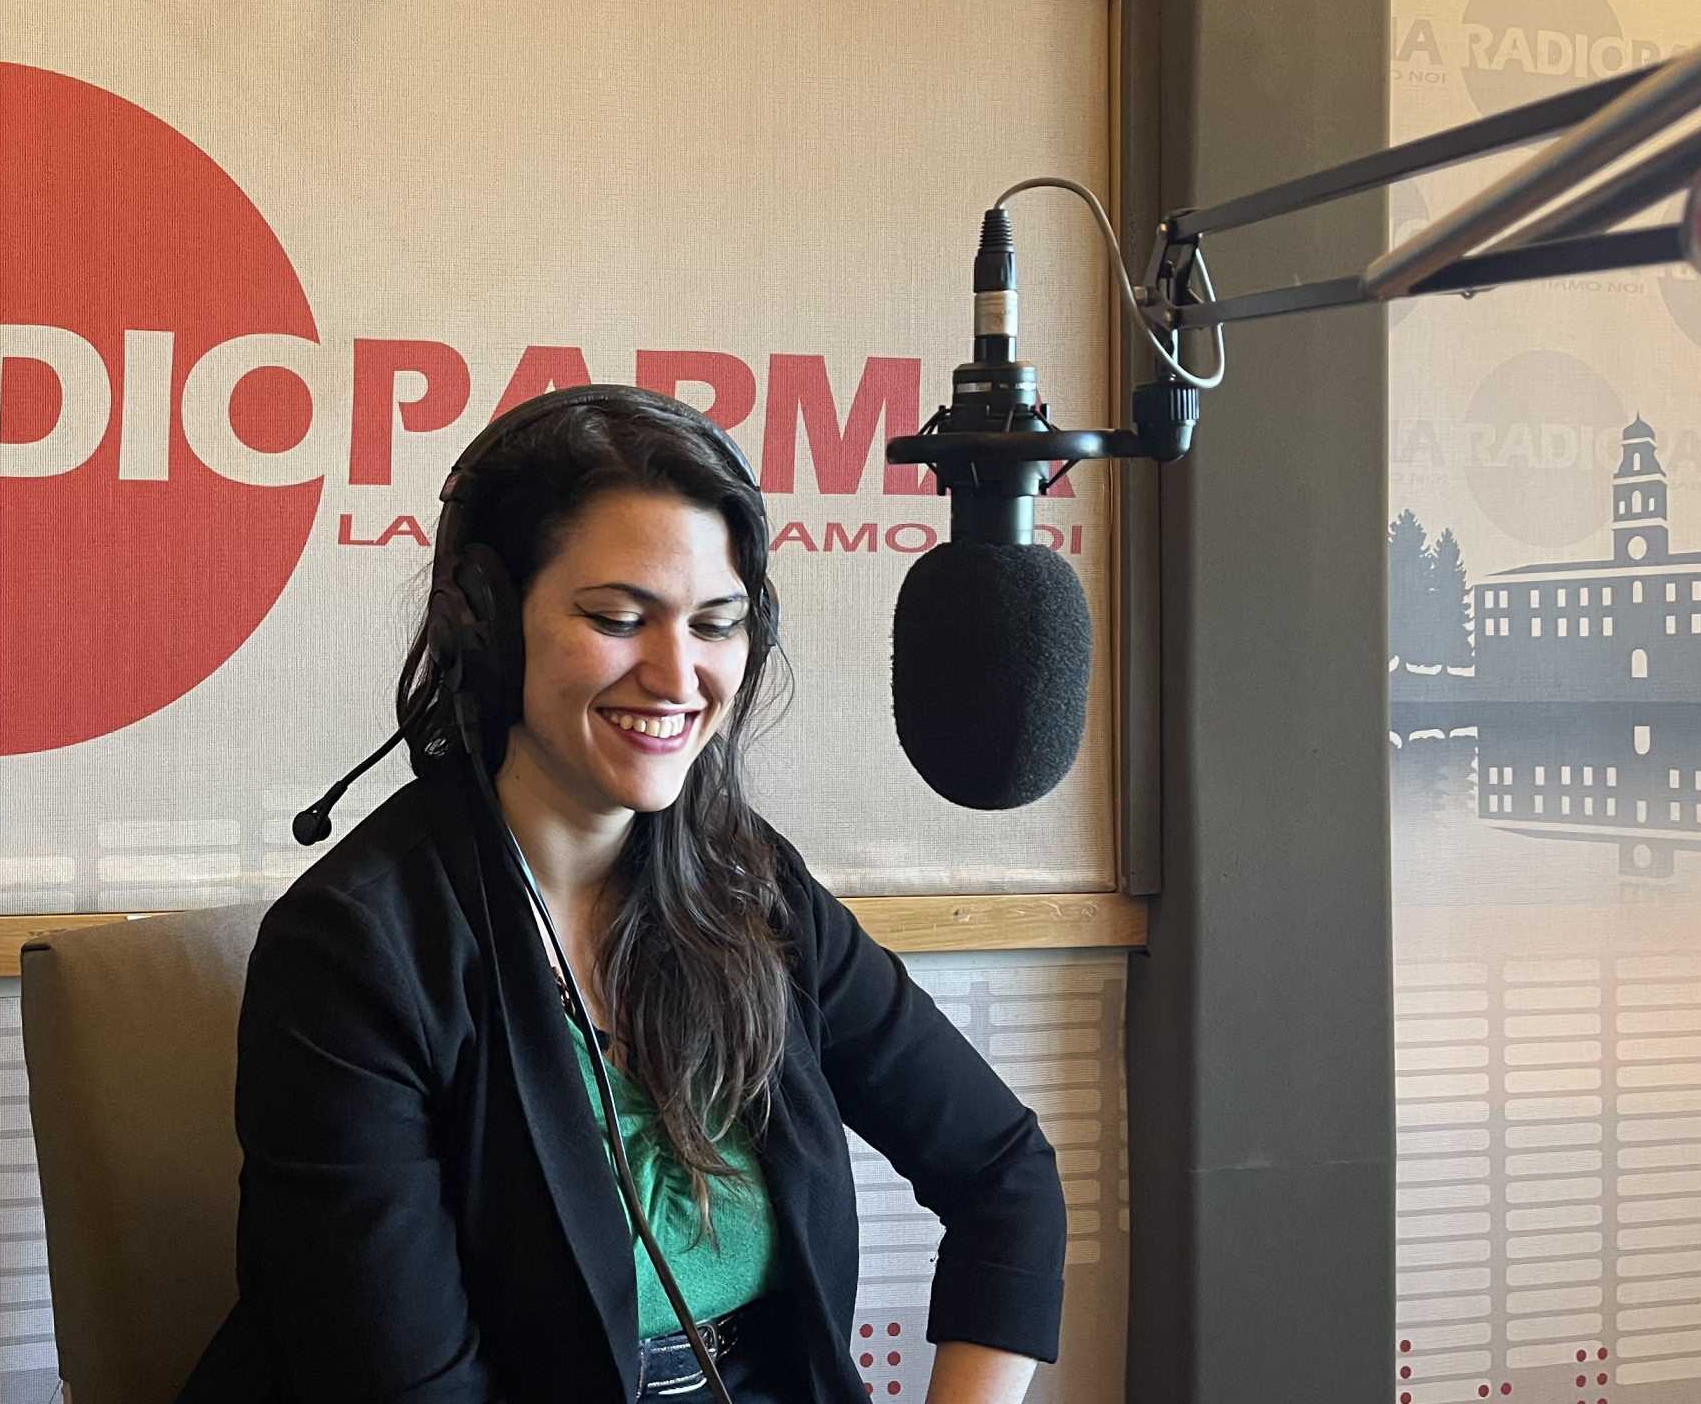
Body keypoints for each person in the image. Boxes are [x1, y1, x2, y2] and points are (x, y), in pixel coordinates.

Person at [181, 385, 1064, 1404]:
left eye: (717, 625)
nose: (678, 676)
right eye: (616, 619)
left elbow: (1004, 1176)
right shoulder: (353, 953)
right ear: (486, 626)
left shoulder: (752, 885)